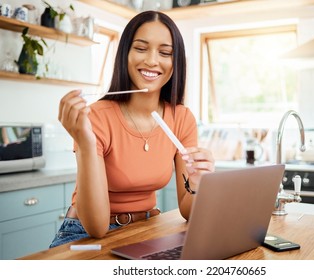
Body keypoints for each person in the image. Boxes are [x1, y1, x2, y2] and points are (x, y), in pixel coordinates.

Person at [50, 10, 215, 248]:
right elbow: (96, 229)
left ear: (175, 61)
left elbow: (189, 211)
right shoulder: (95, 116)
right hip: (84, 236)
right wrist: (85, 143)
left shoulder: (182, 118)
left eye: (165, 52)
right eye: (140, 48)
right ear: (125, 54)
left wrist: (199, 184)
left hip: (147, 228)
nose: (151, 60)